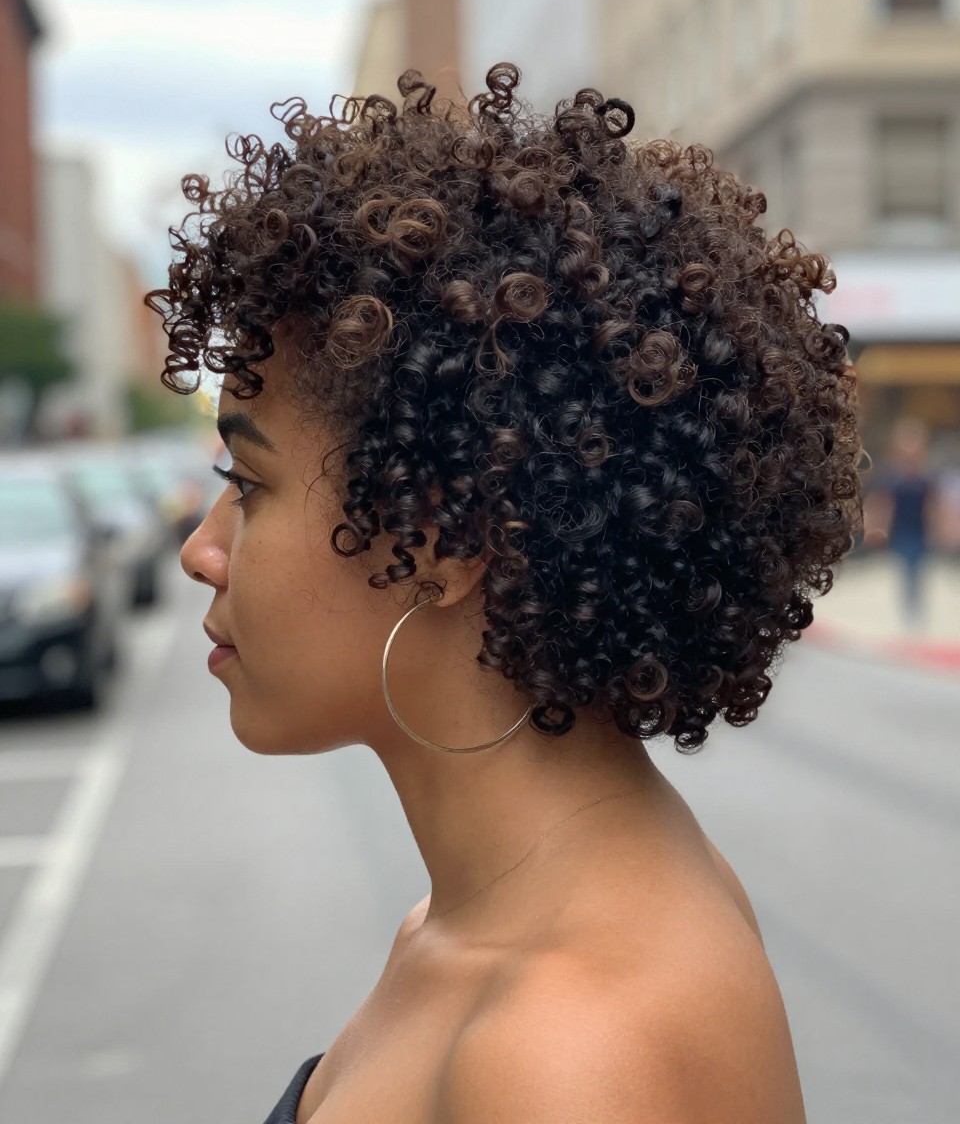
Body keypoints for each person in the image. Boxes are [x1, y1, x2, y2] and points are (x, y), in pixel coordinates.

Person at [147, 63, 862, 1123]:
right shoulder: (472, 929)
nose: (201, 551)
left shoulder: (566, 1054)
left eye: (248, 484)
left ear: (443, 538)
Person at [862, 416, 944, 628]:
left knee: (917, 570)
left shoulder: (927, 475)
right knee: (899, 569)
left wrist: (937, 529)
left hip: (918, 531)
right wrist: (877, 527)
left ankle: (914, 613)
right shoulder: (891, 474)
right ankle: (903, 613)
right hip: (899, 530)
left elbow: (933, 505)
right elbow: (883, 503)